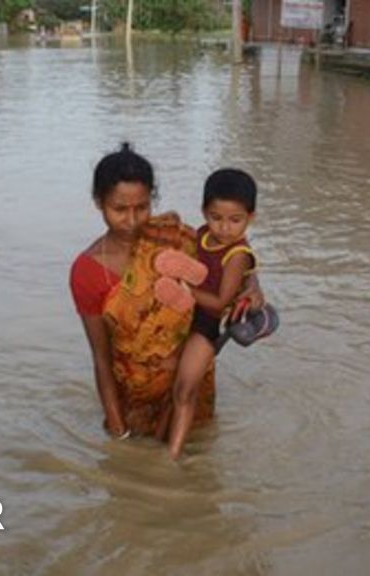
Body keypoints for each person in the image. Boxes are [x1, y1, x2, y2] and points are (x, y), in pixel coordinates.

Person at [70, 144, 262, 440]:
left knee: (199, 464)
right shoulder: (88, 272)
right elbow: (101, 358)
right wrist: (119, 432)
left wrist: (253, 287)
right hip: (134, 403)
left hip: (191, 390)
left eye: (142, 207)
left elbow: (230, 257)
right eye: (119, 209)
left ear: (152, 200)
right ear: (99, 202)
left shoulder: (173, 238)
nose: (132, 220)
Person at [163, 169, 259, 460]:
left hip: (207, 323)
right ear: (204, 212)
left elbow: (219, 303)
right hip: (181, 314)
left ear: (250, 217)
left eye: (235, 220)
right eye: (216, 218)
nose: (225, 228)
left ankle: (172, 456)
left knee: (184, 388)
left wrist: (184, 289)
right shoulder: (202, 235)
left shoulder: (238, 254)